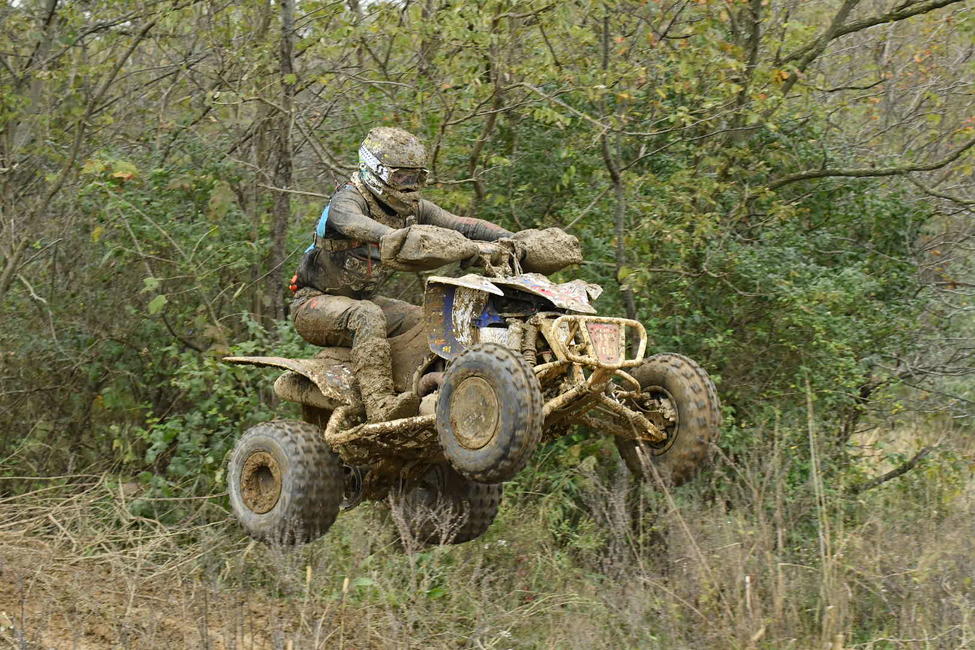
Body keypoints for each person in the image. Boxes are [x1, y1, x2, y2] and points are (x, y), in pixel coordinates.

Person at [290, 127, 513, 422]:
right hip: (312, 304)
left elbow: (463, 225)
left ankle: (430, 389)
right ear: (376, 172)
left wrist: (514, 240)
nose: (410, 186)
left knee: (428, 319)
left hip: (362, 301)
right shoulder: (347, 200)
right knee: (366, 315)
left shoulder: (412, 209)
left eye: (417, 178)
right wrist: (397, 237)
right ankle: (380, 405)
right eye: (401, 178)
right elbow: (350, 222)